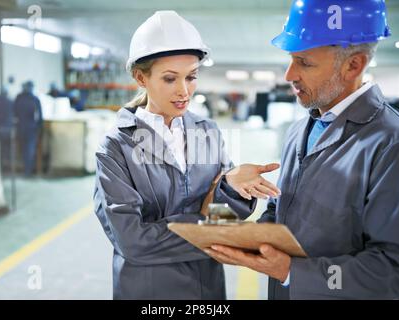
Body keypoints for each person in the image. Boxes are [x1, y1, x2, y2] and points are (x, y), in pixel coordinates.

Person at [206, 0, 399, 300]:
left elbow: (397, 271)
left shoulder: (393, 144)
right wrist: (251, 233)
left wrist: (291, 272)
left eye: (304, 62)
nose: (289, 75)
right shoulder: (301, 129)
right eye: (291, 59)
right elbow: (284, 210)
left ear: (354, 65)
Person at [93, 10, 281, 300]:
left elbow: (225, 221)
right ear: (140, 77)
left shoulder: (208, 132)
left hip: (207, 288)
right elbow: (132, 242)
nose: (184, 91)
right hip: (149, 291)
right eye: (170, 79)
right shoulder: (116, 148)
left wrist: (231, 190)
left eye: (191, 77)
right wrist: (204, 222)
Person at [14, 80, 43, 176]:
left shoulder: (18, 98)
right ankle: (28, 171)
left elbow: (14, 113)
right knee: (30, 149)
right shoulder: (34, 99)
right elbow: (40, 116)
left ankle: (26, 169)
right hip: (31, 128)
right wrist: (39, 127)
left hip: (20, 127)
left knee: (23, 149)